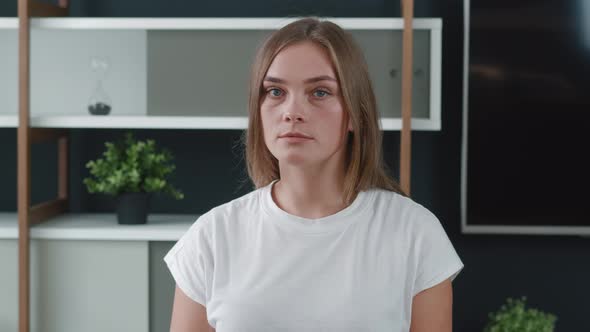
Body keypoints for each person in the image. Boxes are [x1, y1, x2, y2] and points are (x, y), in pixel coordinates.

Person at [164, 17, 464, 332]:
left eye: (319, 92)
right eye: (276, 91)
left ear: (354, 115)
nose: (292, 112)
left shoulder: (415, 233)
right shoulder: (212, 237)